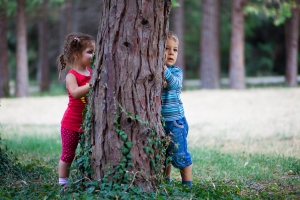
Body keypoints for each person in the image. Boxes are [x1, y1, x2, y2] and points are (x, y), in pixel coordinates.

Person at [57, 33, 95, 188]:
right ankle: (63, 183)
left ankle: (88, 179)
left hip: (88, 123)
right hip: (71, 124)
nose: (93, 55)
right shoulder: (71, 75)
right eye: (90, 52)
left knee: (89, 154)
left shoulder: (92, 72)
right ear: (76, 54)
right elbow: (75, 92)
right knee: (68, 154)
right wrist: (92, 84)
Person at [162, 31, 193, 187]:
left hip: (176, 122)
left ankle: (187, 183)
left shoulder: (175, 72)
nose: (171, 53)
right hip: (160, 122)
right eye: (166, 48)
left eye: (174, 50)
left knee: (180, 154)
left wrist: (163, 70)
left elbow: (174, 84)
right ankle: (165, 180)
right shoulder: (159, 72)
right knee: (164, 154)